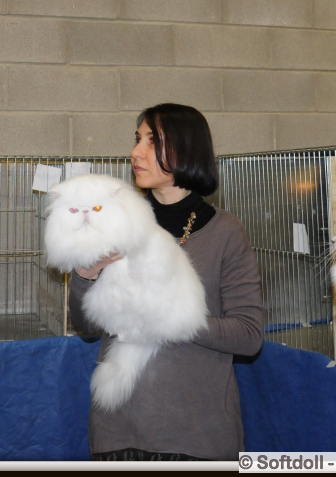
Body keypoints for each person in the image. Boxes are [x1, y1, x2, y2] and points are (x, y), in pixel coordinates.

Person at [67, 103, 265, 461]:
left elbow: (248, 336)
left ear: (186, 149)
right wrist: (85, 273)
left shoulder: (225, 232)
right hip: (118, 433)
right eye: (137, 139)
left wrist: (173, 318)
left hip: (196, 438)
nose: (136, 152)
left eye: (152, 141)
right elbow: (85, 326)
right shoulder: (112, 224)